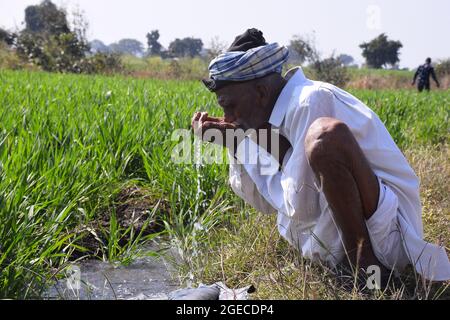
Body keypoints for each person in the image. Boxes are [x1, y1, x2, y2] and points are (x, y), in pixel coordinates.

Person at [192, 29, 450, 286]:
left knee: (324, 137)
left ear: (260, 92)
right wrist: (241, 141)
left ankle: (366, 268)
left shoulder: (308, 101)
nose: (227, 118)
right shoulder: (269, 120)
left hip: (389, 230)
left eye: (229, 105)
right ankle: (353, 262)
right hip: (364, 222)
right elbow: (265, 204)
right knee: (315, 144)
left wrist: (244, 140)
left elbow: (302, 205)